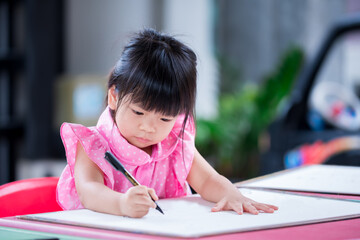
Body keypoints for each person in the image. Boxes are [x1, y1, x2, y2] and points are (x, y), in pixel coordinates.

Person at [57, 28, 278, 218]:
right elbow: (89, 190)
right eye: (138, 112)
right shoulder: (92, 144)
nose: (149, 127)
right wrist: (122, 203)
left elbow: (208, 180)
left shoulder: (174, 143)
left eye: (165, 118)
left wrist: (230, 194)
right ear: (114, 96)